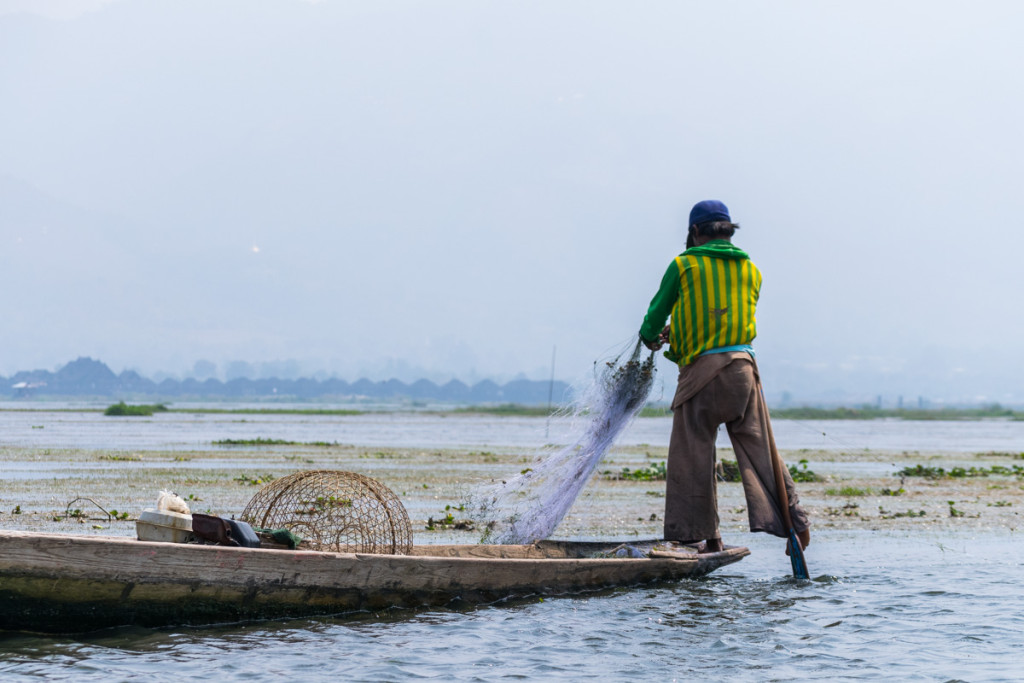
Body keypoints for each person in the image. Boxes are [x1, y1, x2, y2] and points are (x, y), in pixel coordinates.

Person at [639, 199, 810, 554]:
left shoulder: (684, 264)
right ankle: (795, 520)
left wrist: (652, 335)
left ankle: (701, 536)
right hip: (743, 371)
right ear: (729, 232)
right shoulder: (751, 269)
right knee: (762, 449)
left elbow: (654, 317)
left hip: (701, 374)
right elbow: (722, 317)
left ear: (695, 233)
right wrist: (683, 327)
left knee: (692, 452)